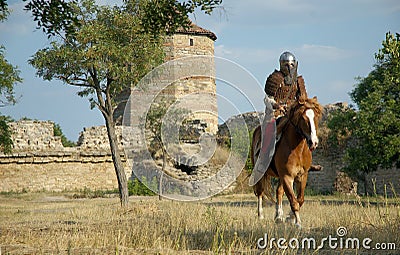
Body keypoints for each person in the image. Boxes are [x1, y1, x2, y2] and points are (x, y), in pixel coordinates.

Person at [264, 51, 322, 171]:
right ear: (281, 65)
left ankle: (306, 161)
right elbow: (267, 99)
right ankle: (265, 159)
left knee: (304, 130)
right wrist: (277, 106)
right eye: (286, 65)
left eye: (291, 65)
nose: (289, 67)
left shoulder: (299, 81)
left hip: (292, 113)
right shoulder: (275, 78)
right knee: (272, 132)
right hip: (275, 113)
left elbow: (303, 98)